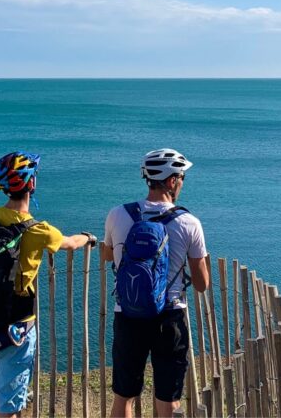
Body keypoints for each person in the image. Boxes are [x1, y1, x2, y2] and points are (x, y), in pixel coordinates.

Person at [0, 151, 97, 418]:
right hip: (16, 328)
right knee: (9, 406)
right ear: (31, 185)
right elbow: (69, 243)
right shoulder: (39, 230)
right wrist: (87, 236)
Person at [104, 148, 209, 418]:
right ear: (172, 181)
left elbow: (108, 256)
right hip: (170, 316)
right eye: (182, 177)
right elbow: (202, 284)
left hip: (127, 314)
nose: (182, 183)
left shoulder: (117, 214)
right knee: (168, 400)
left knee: (123, 397)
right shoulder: (189, 222)